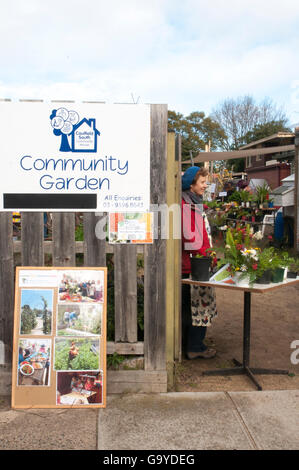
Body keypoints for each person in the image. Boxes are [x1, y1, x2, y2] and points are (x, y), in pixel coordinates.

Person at [181, 166, 218, 360]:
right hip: (193, 265)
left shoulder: (191, 202)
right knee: (198, 306)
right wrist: (207, 255)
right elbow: (191, 240)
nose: (205, 186)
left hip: (196, 262)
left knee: (192, 306)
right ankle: (195, 347)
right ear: (191, 183)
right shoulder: (186, 205)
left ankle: (193, 344)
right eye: (203, 182)